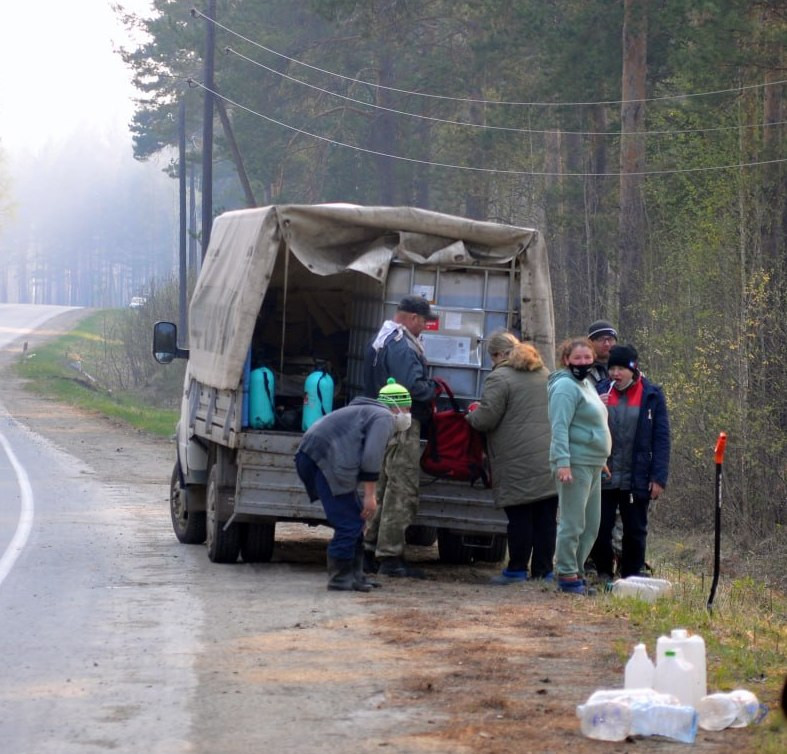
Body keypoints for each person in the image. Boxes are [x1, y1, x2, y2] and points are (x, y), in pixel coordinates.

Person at [295, 378, 413, 591]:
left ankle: (355, 576)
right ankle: (340, 578)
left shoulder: (368, 410)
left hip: (316, 455)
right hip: (322, 458)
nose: (407, 415)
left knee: (357, 518)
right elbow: (371, 457)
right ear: (397, 406)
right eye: (407, 409)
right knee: (349, 522)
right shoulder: (384, 417)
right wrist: (370, 495)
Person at [465, 331, 557, 584]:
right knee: (545, 519)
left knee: (519, 518)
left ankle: (516, 569)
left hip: (517, 459)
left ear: (498, 354)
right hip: (549, 456)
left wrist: (470, 415)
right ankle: (544, 571)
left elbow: (486, 419)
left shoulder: (500, 377)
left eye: (492, 357)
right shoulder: (545, 373)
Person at [362, 295, 439, 578]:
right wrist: (433, 389)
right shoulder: (403, 346)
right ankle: (390, 556)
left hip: (378, 420)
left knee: (381, 486)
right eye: (423, 321)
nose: (424, 327)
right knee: (401, 488)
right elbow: (414, 386)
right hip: (401, 423)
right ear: (412, 318)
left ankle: (369, 549)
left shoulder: (380, 340)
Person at [589, 345, 670, 579]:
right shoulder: (599, 391)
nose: (615, 373)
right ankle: (604, 572)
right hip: (605, 474)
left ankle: (632, 575)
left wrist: (658, 478)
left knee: (635, 530)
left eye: (621, 368)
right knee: (600, 528)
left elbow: (661, 439)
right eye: (612, 368)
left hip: (638, 477)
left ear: (633, 369)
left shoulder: (651, 395)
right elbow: (584, 426)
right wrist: (596, 406)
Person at [548, 337, 612, 594]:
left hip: (594, 463)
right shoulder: (565, 387)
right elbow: (559, 427)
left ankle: (578, 569)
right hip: (574, 462)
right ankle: (566, 573)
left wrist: (603, 460)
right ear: (566, 360)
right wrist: (563, 463)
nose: (583, 363)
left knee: (591, 524)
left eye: (587, 358)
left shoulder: (587, 384)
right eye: (577, 358)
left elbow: (596, 423)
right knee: (573, 522)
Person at [587, 319, 618, 387]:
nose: (607, 344)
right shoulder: (583, 369)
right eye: (601, 339)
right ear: (590, 342)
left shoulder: (626, 367)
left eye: (610, 339)